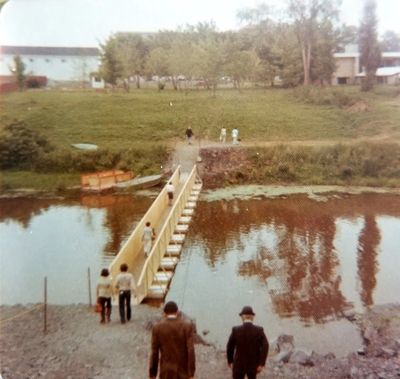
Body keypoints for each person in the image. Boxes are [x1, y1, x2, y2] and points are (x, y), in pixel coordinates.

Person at [149, 301, 195, 379]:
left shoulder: (157, 328)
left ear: (164, 313)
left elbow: (154, 353)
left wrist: (152, 373)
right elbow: (190, 351)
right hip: (183, 372)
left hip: (165, 372)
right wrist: (191, 373)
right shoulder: (187, 326)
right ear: (177, 312)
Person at [226, 306, 269, 379]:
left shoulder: (235, 330)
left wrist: (230, 361)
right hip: (253, 365)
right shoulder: (259, 330)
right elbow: (265, 346)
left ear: (242, 317)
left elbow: (230, 346)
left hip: (239, 364)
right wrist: (261, 363)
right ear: (252, 317)